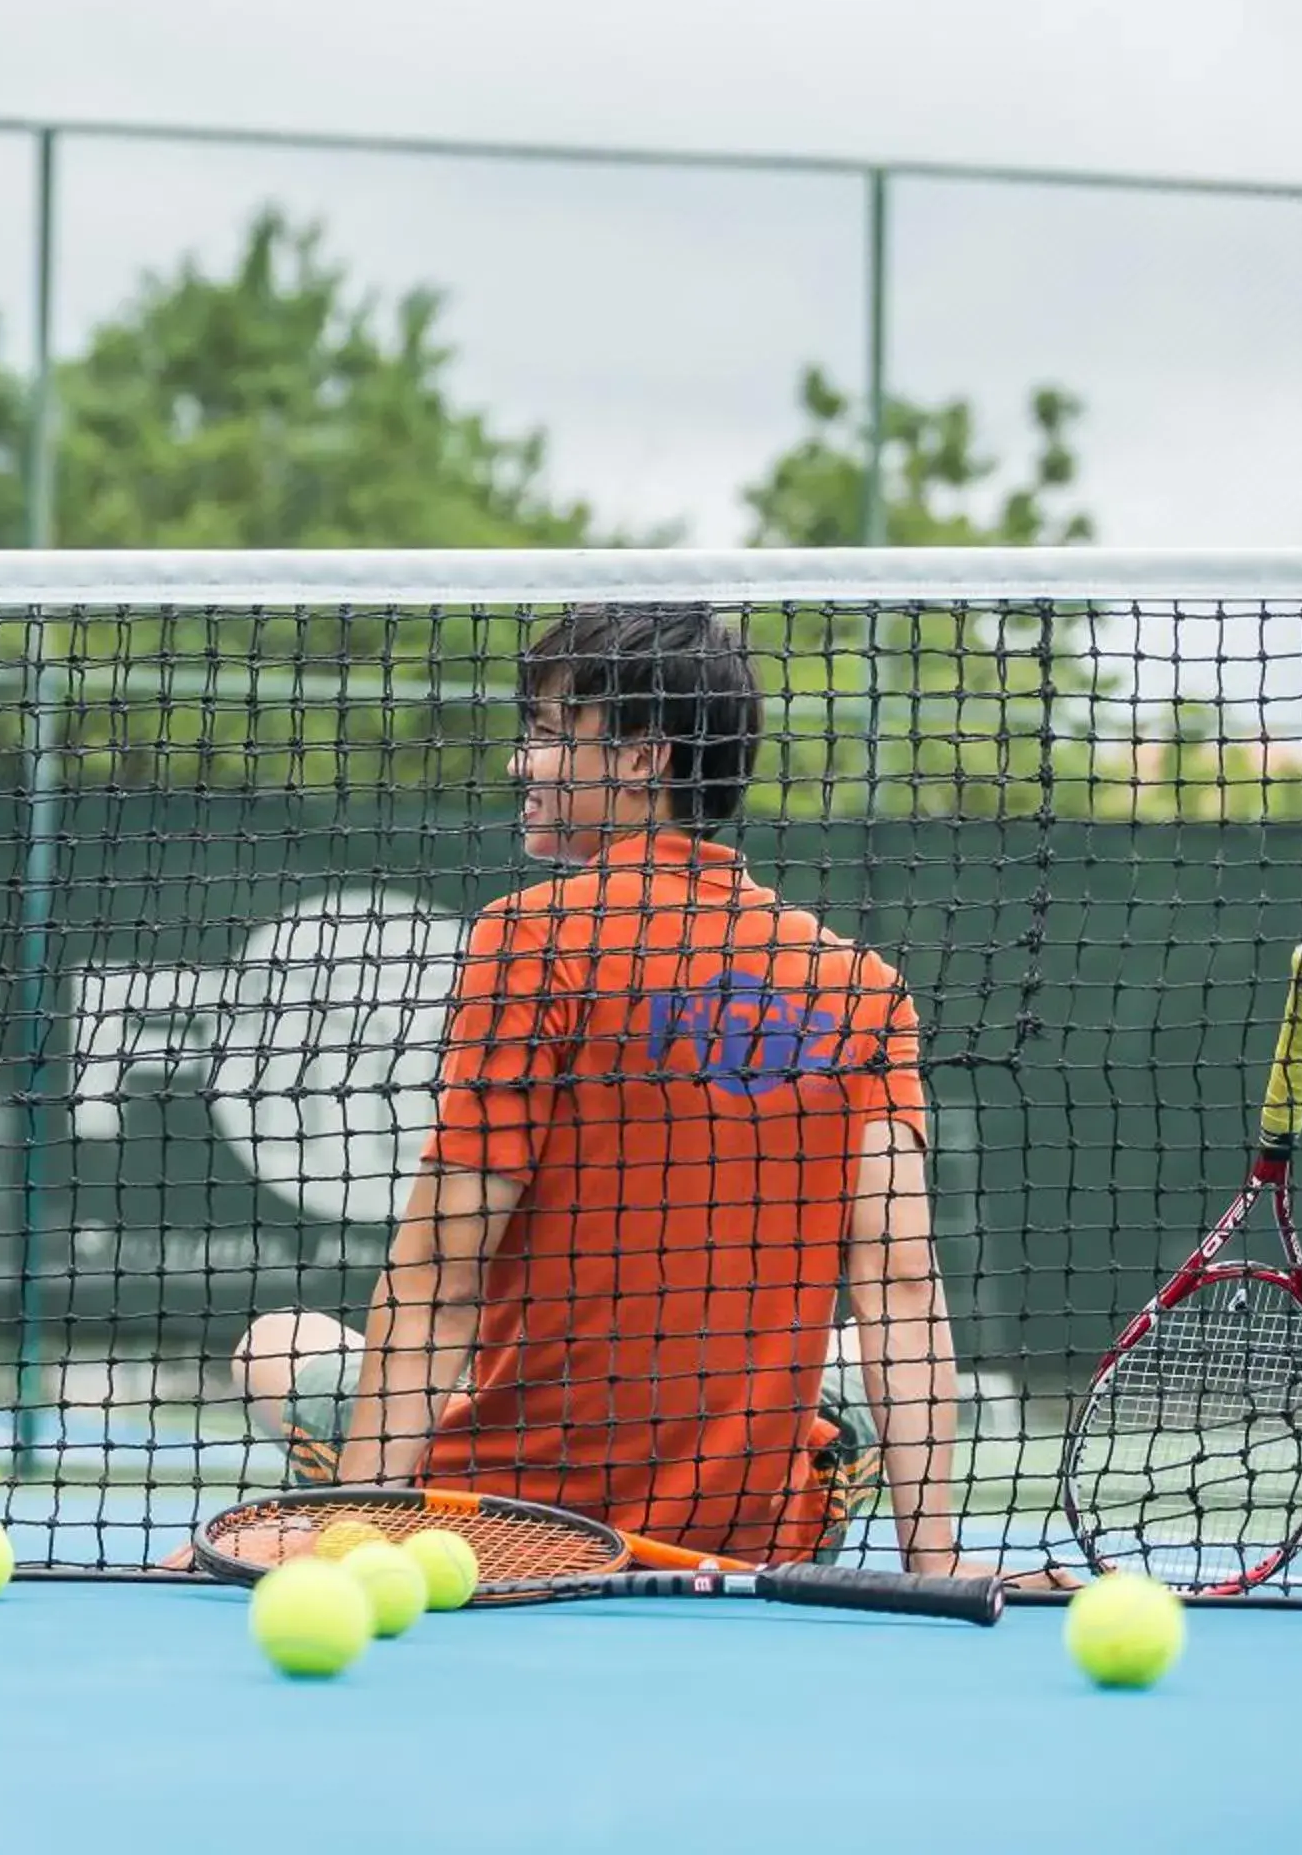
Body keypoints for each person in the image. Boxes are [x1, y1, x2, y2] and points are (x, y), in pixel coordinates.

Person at [231, 604, 976, 1574]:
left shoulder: (528, 938)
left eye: (545, 735)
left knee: (278, 1346)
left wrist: (353, 1534)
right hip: (756, 1531)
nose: (520, 764)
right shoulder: (864, 985)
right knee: (855, 1365)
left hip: (516, 1522)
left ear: (640, 760)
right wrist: (936, 1567)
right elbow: (903, 1288)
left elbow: (438, 1275)